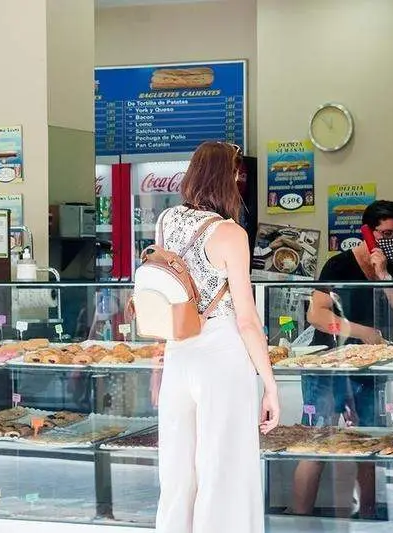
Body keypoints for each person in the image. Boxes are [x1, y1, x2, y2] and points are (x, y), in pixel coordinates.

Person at [155, 141, 280, 533]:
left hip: (178, 351)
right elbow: (247, 320)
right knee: (224, 468)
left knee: (177, 472)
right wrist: (270, 385)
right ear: (230, 178)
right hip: (222, 356)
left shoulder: (166, 221)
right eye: (238, 174)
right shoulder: (230, 233)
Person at [292, 200, 393, 519]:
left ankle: (368, 518)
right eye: (386, 233)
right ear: (367, 232)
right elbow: (317, 315)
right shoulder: (339, 265)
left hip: (371, 369)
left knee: (368, 445)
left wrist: (383, 273)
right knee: (316, 443)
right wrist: (360, 332)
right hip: (329, 365)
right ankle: (299, 520)